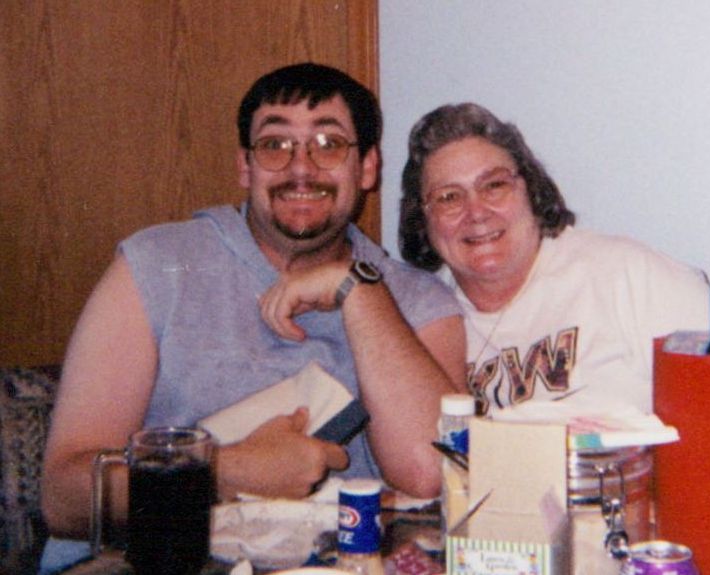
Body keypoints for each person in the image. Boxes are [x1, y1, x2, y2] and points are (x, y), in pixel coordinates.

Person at [40, 63, 466, 572]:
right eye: (275, 144)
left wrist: (359, 287)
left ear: (368, 168)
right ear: (245, 166)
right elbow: (63, 496)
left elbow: (430, 474)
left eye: (329, 143)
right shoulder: (158, 264)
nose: (301, 167)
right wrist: (227, 470)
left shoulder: (419, 301)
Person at [399, 102, 709, 416]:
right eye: (448, 197)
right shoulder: (426, 323)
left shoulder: (629, 276)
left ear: (531, 190)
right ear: (422, 220)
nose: (476, 212)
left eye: (494, 185)